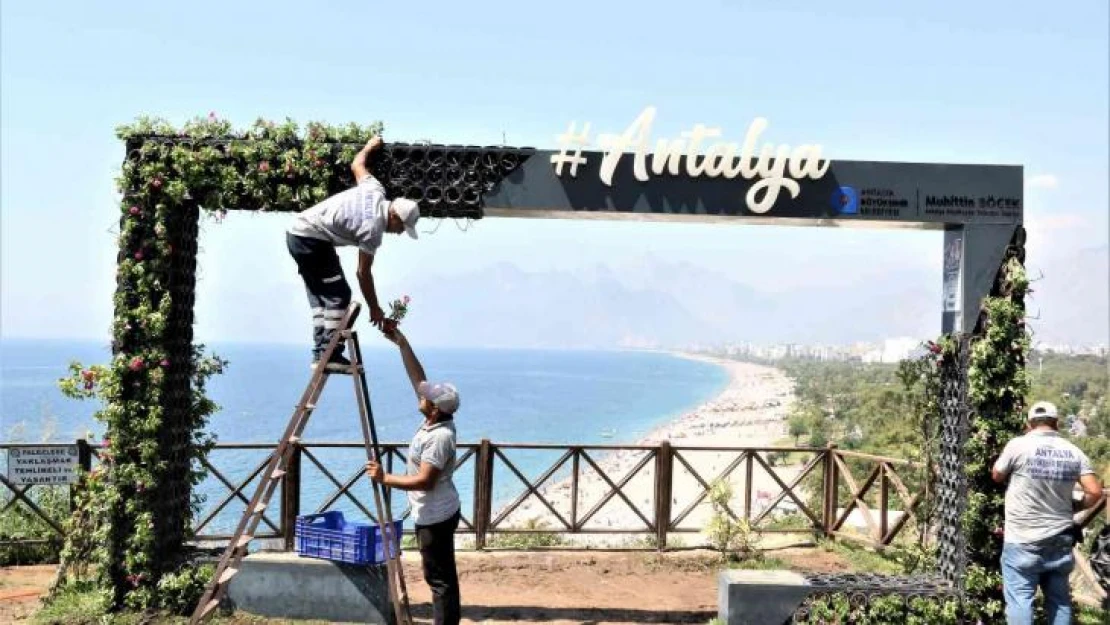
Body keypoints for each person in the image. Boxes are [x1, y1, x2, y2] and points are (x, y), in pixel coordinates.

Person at [286, 135, 420, 371]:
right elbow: (363, 273)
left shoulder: (375, 189)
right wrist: (375, 308)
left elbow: (356, 164)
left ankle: (321, 352)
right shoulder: (373, 229)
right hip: (311, 239)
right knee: (339, 295)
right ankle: (330, 354)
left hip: (297, 234)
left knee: (320, 297)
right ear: (395, 216)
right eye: (401, 227)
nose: (399, 233)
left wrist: (369, 147)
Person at [366, 326, 461, 625]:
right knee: (442, 574)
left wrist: (385, 478)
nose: (421, 392)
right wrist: (402, 343)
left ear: (433, 410)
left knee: (439, 580)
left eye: (428, 396)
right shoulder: (436, 421)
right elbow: (418, 379)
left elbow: (425, 481)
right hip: (438, 511)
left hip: (436, 515)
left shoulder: (439, 438)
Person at [991, 400, 1104, 625]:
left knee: (1020, 600)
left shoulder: (1018, 446)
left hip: (1022, 539)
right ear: (1057, 423)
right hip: (1059, 538)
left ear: (1029, 424)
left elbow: (997, 475)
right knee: (1059, 601)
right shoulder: (1074, 452)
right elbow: (1094, 492)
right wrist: (1076, 506)